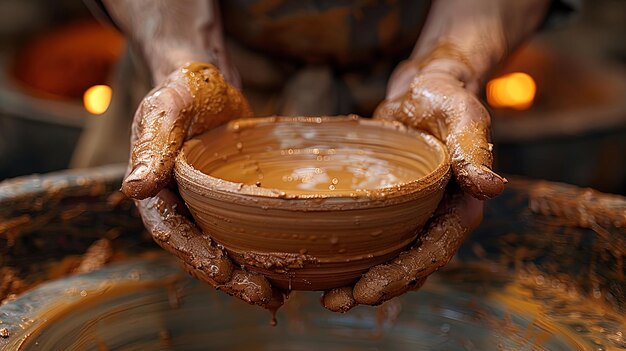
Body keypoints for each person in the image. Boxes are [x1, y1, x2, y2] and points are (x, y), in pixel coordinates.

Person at [87, 0, 576, 312]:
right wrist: (180, 56)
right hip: (199, 98)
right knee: (113, 291)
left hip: (415, 102)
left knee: (488, 303)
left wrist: (453, 65)